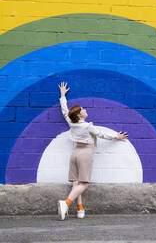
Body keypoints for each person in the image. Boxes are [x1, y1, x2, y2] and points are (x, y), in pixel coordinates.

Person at [57, 81, 128, 220]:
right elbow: (101, 134)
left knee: (76, 183)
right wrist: (116, 137)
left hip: (75, 153)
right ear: (79, 115)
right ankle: (66, 203)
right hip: (85, 154)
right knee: (84, 183)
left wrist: (62, 95)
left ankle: (80, 209)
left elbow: (64, 110)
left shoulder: (71, 122)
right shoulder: (87, 126)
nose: (85, 110)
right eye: (82, 110)